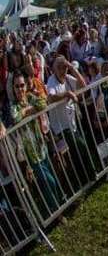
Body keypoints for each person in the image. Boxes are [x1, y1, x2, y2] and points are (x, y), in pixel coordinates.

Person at [9, 73, 62, 214]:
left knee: (48, 179)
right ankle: (57, 209)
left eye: (22, 85)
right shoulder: (13, 105)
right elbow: (15, 117)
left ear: (25, 85)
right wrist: (28, 110)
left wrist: (27, 110)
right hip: (30, 151)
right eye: (17, 86)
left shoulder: (31, 97)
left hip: (41, 144)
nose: (20, 89)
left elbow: (43, 103)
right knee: (49, 180)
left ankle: (55, 208)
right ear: (13, 88)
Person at [46, 57, 94, 187]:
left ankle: (84, 180)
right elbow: (51, 97)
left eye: (65, 66)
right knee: (81, 146)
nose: (63, 69)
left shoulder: (67, 77)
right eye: (60, 67)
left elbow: (83, 85)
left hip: (72, 122)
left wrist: (72, 68)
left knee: (76, 153)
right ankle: (92, 175)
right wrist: (67, 94)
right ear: (54, 69)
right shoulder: (51, 81)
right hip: (61, 127)